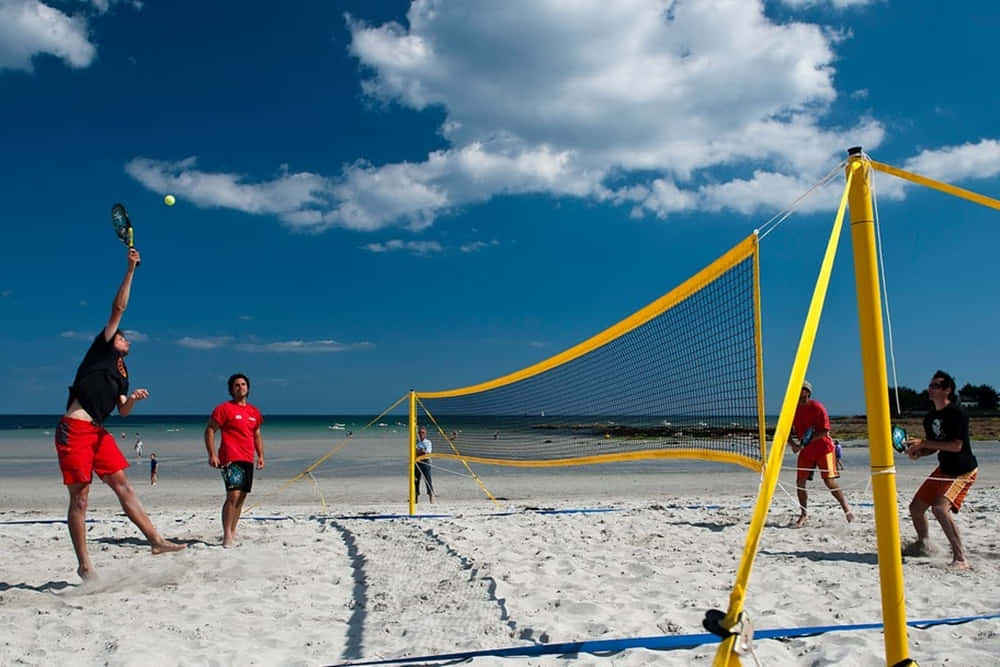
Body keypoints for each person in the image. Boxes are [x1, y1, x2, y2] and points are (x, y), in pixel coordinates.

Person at [55, 247, 185, 579]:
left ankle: (155, 540)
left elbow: (123, 411)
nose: (126, 339)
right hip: (75, 428)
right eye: (123, 336)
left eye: (125, 338)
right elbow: (119, 307)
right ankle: (85, 565)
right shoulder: (101, 348)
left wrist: (135, 400)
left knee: (124, 486)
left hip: (99, 432)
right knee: (80, 500)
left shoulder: (122, 373)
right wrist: (130, 269)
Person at [902, 370, 978, 570]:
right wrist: (919, 452)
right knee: (915, 508)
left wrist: (923, 442)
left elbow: (956, 446)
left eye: (935, 385)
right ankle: (923, 544)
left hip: (963, 470)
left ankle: (961, 558)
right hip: (944, 468)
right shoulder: (930, 417)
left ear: (947, 390)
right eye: (930, 385)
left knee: (939, 509)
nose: (930, 389)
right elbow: (935, 445)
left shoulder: (957, 414)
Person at [204, 374, 264, 547]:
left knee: (242, 496)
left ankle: (233, 530)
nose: (241, 387)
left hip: (248, 458)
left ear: (248, 388)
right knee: (233, 495)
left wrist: (260, 455)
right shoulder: (224, 409)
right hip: (230, 457)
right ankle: (226, 535)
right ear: (231, 389)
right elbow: (209, 431)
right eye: (237, 385)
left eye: (244, 384)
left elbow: (257, 435)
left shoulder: (254, 412)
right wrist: (212, 454)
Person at [789, 380, 855, 527]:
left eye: (799, 389)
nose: (796, 392)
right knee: (800, 483)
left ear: (806, 392)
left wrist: (806, 440)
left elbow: (825, 430)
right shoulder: (792, 409)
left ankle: (847, 511)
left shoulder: (817, 407)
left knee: (829, 482)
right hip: (806, 451)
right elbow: (785, 429)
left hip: (824, 449)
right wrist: (793, 444)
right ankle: (804, 514)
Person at [414, 425, 434, 503]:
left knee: (428, 480)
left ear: (425, 434)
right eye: (419, 432)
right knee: (416, 480)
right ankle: (415, 498)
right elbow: (414, 453)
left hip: (426, 462)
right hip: (417, 462)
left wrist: (420, 451)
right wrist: (420, 451)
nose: (421, 434)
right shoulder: (415, 442)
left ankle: (431, 498)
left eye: (422, 433)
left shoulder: (428, 442)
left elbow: (427, 453)